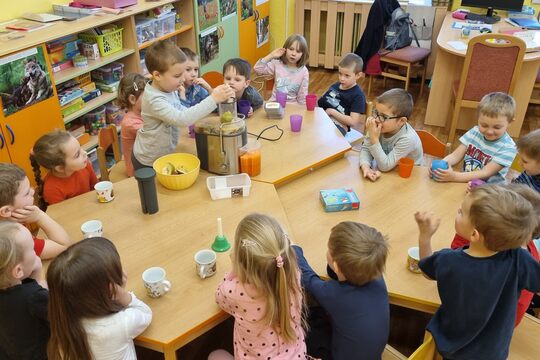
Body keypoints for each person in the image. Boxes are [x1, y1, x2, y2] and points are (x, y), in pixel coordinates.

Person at [415, 185, 540, 360]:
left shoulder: (449, 260)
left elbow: (426, 271)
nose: (458, 211)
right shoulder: (520, 258)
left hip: (453, 348)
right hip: (494, 352)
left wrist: (425, 236)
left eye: (461, 212)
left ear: (474, 234)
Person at [208, 213, 307, 359]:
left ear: (242, 264)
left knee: (215, 355)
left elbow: (219, 298)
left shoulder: (234, 292)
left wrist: (235, 270)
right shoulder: (294, 275)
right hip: (296, 356)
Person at [293, 221, 389, 360]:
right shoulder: (376, 276)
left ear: (337, 266)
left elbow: (308, 278)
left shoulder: (335, 294)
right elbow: (334, 274)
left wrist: (293, 248)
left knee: (308, 322)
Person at [132, 40, 234, 170]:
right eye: (177, 75)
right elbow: (181, 119)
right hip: (147, 161)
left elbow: (181, 110)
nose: (182, 79)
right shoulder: (154, 100)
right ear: (157, 75)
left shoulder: (168, 88)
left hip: (163, 155)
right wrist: (213, 99)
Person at [47, 237, 152, 360]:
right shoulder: (119, 324)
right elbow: (145, 313)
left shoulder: (63, 322)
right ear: (110, 288)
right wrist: (123, 295)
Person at [433, 92, 516, 184]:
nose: (489, 131)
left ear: (510, 122)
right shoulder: (475, 132)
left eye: (497, 127)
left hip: (487, 192)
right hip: (465, 182)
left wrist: (454, 176)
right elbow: (455, 156)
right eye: (484, 125)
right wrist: (441, 166)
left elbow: (485, 173)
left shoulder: (509, 148)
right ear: (478, 118)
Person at [0, 163, 70, 259]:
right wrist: (39, 216)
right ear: (6, 211)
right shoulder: (14, 239)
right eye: (27, 193)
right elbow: (64, 246)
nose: (33, 191)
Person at [0, 221, 48, 360]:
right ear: (18, 270)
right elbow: (61, 317)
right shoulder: (33, 297)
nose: (35, 253)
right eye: (33, 249)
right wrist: (38, 278)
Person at [359, 88, 423, 181]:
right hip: (389, 172)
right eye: (376, 112)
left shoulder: (408, 138)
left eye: (384, 117)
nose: (376, 119)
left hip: (409, 177)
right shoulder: (379, 125)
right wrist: (366, 167)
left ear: (401, 121)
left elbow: (385, 166)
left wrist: (374, 139)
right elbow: (366, 148)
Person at [30, 130, 98, 207]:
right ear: (60, 168)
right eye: (77, 155)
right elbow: (62, 214)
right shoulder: (52, 189)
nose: (85, 153)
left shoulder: (85, 165)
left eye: (80, 147)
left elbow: (96, 189)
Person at [317, 53, 366, 135]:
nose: (341, 78)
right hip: (324, 119)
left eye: (347, 76)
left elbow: (353, 121)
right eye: (340, 74)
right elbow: (323, 102)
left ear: (358, 75)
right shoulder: (335, 86)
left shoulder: (358, 96)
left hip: (339, 127)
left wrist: (332, 112)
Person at [254, 34, 309, 104]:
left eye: (298, 51)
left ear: (302, 54)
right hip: (274, 105)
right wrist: (271, 55)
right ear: (285, 49)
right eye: (291, 49)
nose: (293, 54)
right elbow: (258, 68)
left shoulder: (304, 71)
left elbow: (302, 97)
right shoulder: (277, 64)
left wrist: (303, 111)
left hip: (292, 107)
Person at [118, 73, 147, 177]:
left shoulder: (141, 113)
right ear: (132, 99)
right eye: (147, 96)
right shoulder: (130, 123)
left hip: (144, 161)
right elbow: (152, 134)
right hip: (137, 171)